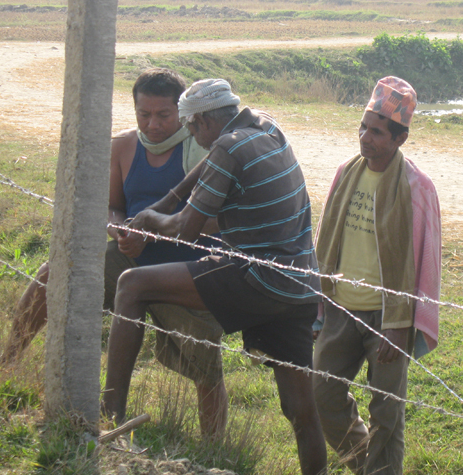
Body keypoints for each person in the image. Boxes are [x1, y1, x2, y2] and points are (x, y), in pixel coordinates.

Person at [102, 79, 327, 475]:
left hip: (256, 276)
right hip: (299, 284)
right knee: (300, 411)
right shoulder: (262, 126)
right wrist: (166, 201)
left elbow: (186, 229)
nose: (191, 136)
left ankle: (108, 417)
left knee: (131, 285)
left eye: (191, 127)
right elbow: (204, 169)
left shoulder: (226, 146)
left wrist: (154, 219)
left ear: (204, 120)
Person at [3, 68, 228, 437]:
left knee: (204, 362)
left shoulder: (204, 151)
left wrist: (154, 232)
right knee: (56, 273)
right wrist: (118, 228)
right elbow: (113, 206)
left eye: (164, 115)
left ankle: (217, 446)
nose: (153, 125)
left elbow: (221, 221)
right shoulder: (123, 147)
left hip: (186, 271)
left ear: (184, 114)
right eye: (144, 114)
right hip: (130, 259)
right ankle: (6, 364)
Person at [312, 76, 441, 475]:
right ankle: (369, 464)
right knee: (322, 395)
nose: (366, 138)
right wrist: (318, 304)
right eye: (364, 127)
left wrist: (403, 326)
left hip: (388, 321)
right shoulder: (345, 173)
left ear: (400, 139)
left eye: (378, 132)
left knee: (388, 412)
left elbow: (427, 264)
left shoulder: (417, 188)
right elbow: (325, 238)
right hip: (340, 310)